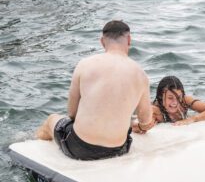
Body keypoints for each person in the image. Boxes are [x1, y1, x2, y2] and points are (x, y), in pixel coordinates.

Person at [36, 20, 154, 160]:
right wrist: (140, 126)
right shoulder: (141, 74)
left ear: (102, 41)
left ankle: (32, 147)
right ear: (129, 40)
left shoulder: (85, 64)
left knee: (51, 120)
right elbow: (145, 121)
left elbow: (72, 113)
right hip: (119, 149)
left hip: (79, 148)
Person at [135, 75, 205, 128]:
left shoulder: (185, 101)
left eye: (178, 97)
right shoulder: (155, 110)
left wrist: (192, 119)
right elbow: (137, 125)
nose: (175, 102)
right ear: (161, 96)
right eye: (170, 98)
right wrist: (145, 125)